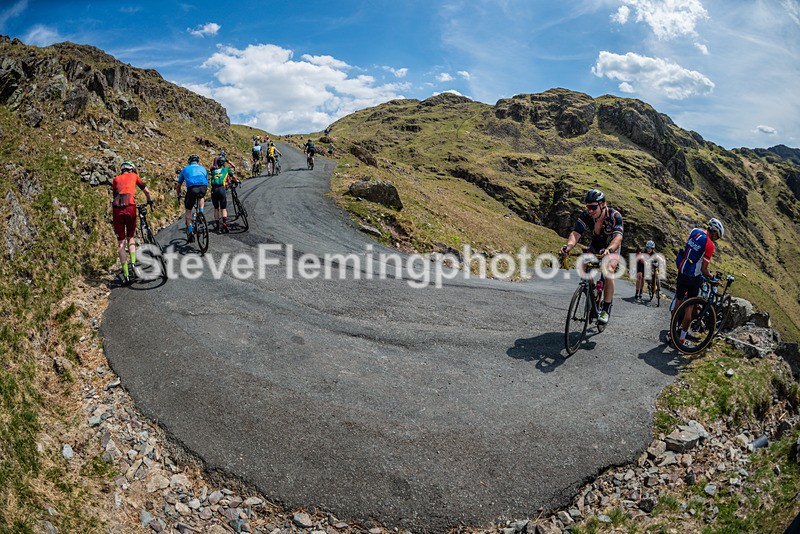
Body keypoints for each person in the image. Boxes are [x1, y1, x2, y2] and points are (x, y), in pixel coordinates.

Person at [559, 189, 624, 325]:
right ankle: (592, 290)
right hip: (596, 244)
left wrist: (609, 250)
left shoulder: (614, 216)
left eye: (593, 207)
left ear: (603, 205)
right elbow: (576, 233)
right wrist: (569, 246)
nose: (590, 210)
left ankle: (605, 309)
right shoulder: (586, 215)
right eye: (588, 207)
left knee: (608, 270)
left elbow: (618, 237)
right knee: (582, 264)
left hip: (612, 246)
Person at [672, 218, 725, 344]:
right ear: (714, 231)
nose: (716, 239)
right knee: (689, 308)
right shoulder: (710, 245)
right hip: (693, 277)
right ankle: (682, 338)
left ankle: (671, 333)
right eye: (717, 236)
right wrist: (712, 278)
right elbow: (704, 269)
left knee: (678, 303)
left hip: (682, 271)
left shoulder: (695, 231)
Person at [111, 161, 153, 283]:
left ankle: (126, 274)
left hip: (117, 210)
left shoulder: (116, 179)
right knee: (131, 238)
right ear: (131, 169)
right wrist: (150, 201)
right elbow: (147, 191)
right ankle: (133, 264)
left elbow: (114, 195)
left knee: (121, 243)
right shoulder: (134, 176)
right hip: (130, 207)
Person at [175, 154, 208, 243]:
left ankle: (190, 232)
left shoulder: (185, 169)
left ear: (189, 162)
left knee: (188, 210)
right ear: (197, 161)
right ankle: (201, 213)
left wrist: (178, 194)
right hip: (203, 187)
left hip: (192, 189)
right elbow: (206, 180)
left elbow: (178, 185)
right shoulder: (203, 168)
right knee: (201, 197)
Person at [210, 156, 235, 233]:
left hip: (214, 190)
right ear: (223, 163)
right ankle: (224, 223)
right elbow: (233, 176)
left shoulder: (213, 171)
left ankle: (217, 226)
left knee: (216, 208)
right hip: (222, 189)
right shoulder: (226, 169)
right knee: (223, 208)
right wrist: (236, 180)